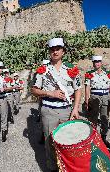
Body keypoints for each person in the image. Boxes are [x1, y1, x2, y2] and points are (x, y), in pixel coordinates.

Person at [31, 38, 82, 171]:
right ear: (49, 52)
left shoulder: (72, 69)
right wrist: (50, 93)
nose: (55, 51)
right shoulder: (43, 70)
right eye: (52, 49)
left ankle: (68, 168)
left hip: (67, 110)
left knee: (69, 141)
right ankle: (53, 168)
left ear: (63, 51)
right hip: (49, 111)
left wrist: (76, 108)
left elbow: (78, 89)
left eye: (58, 49)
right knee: (50, 143)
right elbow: (33, 90)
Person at [84, 55, 110, 149]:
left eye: (98, 62)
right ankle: (92, 139)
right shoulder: (90, 73)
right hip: (94, 96)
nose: (97, 64)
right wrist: (87, 100)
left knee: (105, 118)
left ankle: (103, 138)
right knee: (93, 118)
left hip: (105, 96)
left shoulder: (107, 73)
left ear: (101, 63)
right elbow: (87, 87)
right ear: (93, 63)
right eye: (95, 62)